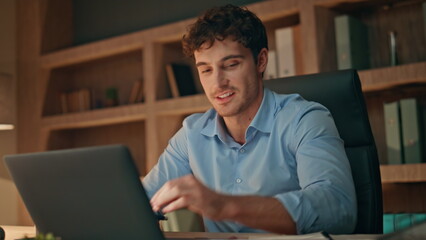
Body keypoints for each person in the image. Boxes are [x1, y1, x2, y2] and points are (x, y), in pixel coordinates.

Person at [143, 4, 357, 235]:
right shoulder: (191, 134)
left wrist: (224, 206)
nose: (217, 83)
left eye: (231, 65)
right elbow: (140, 200)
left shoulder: (304, 118)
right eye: (205, 70)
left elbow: (337, 210)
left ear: (261, 61)